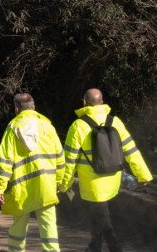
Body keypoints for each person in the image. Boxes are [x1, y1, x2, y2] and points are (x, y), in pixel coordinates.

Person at [59, 88, 153, 252]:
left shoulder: (78, 126)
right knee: (98, 216)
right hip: (113, 179)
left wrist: (64, 184)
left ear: (84, 103)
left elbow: (69, 160)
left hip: (92, 183)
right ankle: (94, 247)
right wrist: (143, 175)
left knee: (103, 220)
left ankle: (115, 248)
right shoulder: (115, 122)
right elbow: (131, 150)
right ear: (102, 102)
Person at [0, 93, 64, 252]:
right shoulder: (47, 126)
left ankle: (15, 250)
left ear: (16, 109)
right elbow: (60, 157)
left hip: (21, 187)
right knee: (49, 225)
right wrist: (59, 182)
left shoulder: (13, 128)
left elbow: (5, 161)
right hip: (46, 185)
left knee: (19, 224)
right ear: (34, 107)